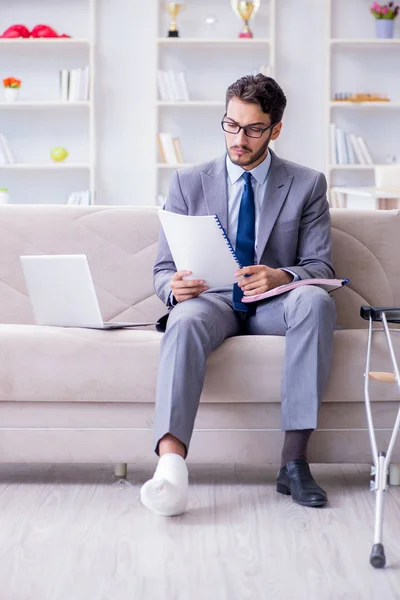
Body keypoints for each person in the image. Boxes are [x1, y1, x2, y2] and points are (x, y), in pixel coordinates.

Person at [140, 74, 336, 517]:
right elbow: (162, 269)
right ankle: (171, 465)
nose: (238, 139)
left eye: (252, 129)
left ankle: (294, 461)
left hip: (275, 304)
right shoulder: (188, 182)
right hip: (213, 301)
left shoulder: (307, 185)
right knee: (184, 318)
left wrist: (280, 276)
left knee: (315, 300)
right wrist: (172, 288)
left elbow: (321, 268)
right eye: (231, 125)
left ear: (275, 129)